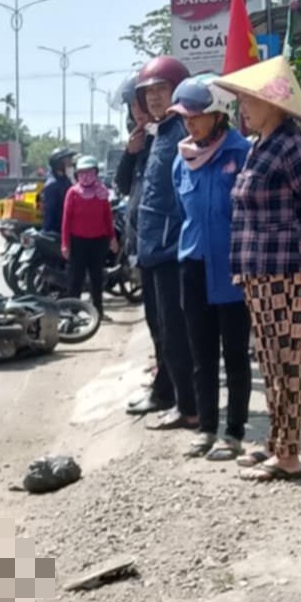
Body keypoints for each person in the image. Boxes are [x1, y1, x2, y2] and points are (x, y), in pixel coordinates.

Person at [213, 55, 301, 482]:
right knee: (268, 360)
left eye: (249, 100)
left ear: (272, 102)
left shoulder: (293, 146)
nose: (241, 108)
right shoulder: (261, 146)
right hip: (260, 270)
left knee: (285, 361)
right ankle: (275, 441)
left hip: (287, 270)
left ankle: (288, 455)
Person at [170, 75, 253, 462]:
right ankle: (205, 428)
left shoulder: (243, 153)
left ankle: (233, 432)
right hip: (193, 266)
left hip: (234, 267)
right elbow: (182, 209)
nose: (190, 123)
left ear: (219, 113)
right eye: (184, 117)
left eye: (196, 115)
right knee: (201, 354)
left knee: (234, 354)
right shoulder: (182, 158)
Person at [132, 54, 198, 432]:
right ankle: (165, 390)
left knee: (175, 331)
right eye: (149, 93)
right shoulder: (159, 135)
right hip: (152, 249)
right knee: (159, 327)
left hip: (171, 249)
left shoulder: (181, 136)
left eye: (162, 90)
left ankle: (183, 402)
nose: (155, 99)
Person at [114, 73, 170, 416]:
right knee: (154, 320)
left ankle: (167, 388)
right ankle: (163, 378)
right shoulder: (141, 140)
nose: (139, 110)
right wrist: (129, 152)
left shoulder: (165, 137)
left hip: (163, 243)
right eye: (135, 104)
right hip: (143, 243)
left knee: (165, 322)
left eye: (144, 101)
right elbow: (123, 186)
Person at [61, 154, 118, 319]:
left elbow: (108, 218)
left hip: (98, 241)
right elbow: (66, 220)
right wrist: (65, 244)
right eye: (82, 172)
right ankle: (73, 313)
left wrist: (112, 238)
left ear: (96, 173)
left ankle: (98, 312)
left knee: (96, 278)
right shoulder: (73, 193)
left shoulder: (102, 194)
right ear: (77, 174)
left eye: (89, 172)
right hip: (78, 242)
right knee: (75, 278)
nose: (86, 176)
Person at [39, 147, 76, 236]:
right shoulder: (53, 185)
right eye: (67, 160)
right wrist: (47, 232)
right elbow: (49, 212)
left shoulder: (65, 180)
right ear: (59, 164)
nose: (71, 163)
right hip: (58, 231)